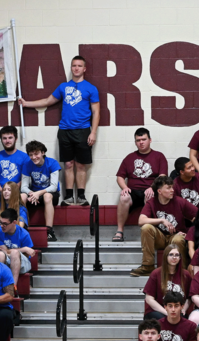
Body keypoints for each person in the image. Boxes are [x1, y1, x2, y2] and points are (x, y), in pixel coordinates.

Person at [21, 55, 100, 204]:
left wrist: (93, 132)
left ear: (84, 69)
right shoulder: (63, 87)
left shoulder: (91, 88)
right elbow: (47, 101)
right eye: (73, 65)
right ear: (71, 68)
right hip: (65, 131)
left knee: (81, 164)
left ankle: (81, 196)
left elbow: (96, 112)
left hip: (83, 130)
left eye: (79, 66)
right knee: (68, 164)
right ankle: (69, 196)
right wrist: (26, 104)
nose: (76, 68)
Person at [114, 128, 170, 242]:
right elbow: (120, 177)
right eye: (138, 140)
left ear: (150, 140)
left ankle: (150, 231)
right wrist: (124, 188)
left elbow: (162, 176)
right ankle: (119, 231)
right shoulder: (129, 157)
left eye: (144, 139)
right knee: (124, 197)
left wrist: (152, 188)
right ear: (135, 142)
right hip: (133, 191)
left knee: (149, 196)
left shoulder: (159, 156)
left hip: (150, 190)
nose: (141, 142)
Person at [131, 176, 194, 277]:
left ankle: (181, 269)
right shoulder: (151, 202)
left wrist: (190, 233)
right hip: (160, 237)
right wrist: (161, 220)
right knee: (146, 227)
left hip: (176, 235)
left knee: (178, 239)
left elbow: (198, 217)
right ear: (159, 191)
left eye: (172, 187)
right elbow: (141, 221)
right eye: (168, 188)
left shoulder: (180, 201)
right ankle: (148, 266)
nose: (172, 190)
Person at [20, 140, 62, 241]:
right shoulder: (27, 164)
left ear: (43, 153)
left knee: (47, 196)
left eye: (36, 154)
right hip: (34, 194)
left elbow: (53, 186)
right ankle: (22, 228)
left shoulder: (52, 163)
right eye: (31, 155)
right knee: (22, 196)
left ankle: (49, 231)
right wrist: (32, 194)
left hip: (50, 194)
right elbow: (23, 187)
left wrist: (38, 193)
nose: (34, 157)